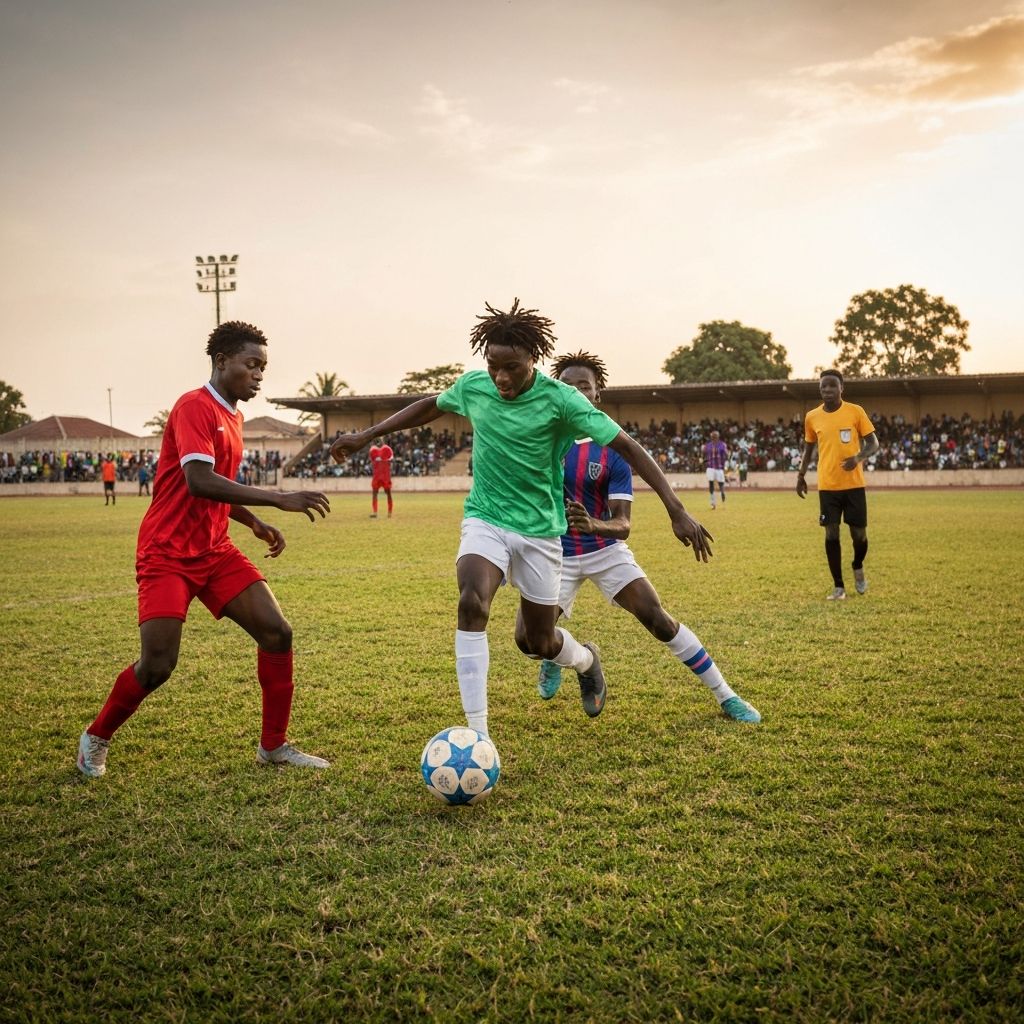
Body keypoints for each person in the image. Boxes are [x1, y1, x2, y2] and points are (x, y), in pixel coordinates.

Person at [330, 299, 713, 739]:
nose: (501, 378)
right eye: (493, 365)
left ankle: (585, 660)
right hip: (486, 517)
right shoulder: (475, 387)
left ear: (533, 360)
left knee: (539, 642)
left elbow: (627, 446)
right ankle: (478, 735)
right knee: (472, 601)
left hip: (540, 532)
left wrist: (676, 509)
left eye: (511, 367)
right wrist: (368, 434)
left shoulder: (562, 400)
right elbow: (430, 405)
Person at [76, 321, 332, 779]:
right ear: (221, 361)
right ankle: (96, 737)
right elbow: (198, 482)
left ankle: (273, 746)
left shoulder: (232, 416)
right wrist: (278, 497)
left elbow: (218, 488)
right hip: (167, 553)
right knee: (157, 665)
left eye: (263, 367)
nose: (258, 375)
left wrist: (253, 522)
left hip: (214, 550)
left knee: (277, 632)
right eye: (251, 365)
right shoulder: (195, 407)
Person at [534, 351, 760, 723]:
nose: (574, 391)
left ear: (597, 395)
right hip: (553, 553)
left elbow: (623, 525)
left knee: (658, 620)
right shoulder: (541, 440)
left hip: (604, 549)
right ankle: (569, 657)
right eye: (566, 385)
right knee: (531, 641)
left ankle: (727, 696)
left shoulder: (613, 449)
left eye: (584, 386)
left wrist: (596, 524)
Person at [796, 369, 880, 600]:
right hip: (827, 486)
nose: (828, 390)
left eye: (832, 386)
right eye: (824, 386)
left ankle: (857, 564)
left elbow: (874, 444)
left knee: (859, 536)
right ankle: (839, 587)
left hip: (854, 485)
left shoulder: (855, 412)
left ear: (842, 388)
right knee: (831, 534)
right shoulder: (812, 417)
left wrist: (858, 457)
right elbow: (809, 449)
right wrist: (801, 475)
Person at [369, 436, 394, 518]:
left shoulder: (387, 449)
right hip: (377, 475)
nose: (379, 441)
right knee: (375, 493)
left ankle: (389, 512)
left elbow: (391, 458)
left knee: (388, 493)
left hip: (385, 474)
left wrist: (387, 461)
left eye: (381, 439)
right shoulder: (373, 450)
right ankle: (375, 512)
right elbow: (372, 460)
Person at [703, 430, 728, 509]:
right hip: (711, 467)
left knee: (719, 484)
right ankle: (713, 502)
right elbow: (704, 453)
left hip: (718, 467)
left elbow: (726, 454)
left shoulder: (721, 445)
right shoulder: (708, 445)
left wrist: (725, 462)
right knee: (712, 484)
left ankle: (722, 493)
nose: (714, 437)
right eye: (713, 436)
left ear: (718, 436)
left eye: (715, 436)